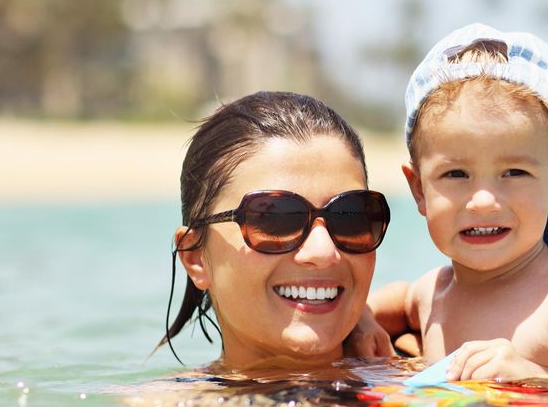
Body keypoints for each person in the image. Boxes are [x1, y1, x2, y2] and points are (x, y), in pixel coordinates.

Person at [351, 23, 548, 381]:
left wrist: (534, 375)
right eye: (456, 174)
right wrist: (362, 322)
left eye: (514, 173)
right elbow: (392, 302)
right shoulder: (432, 293)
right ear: (419, 190)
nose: (482, 201)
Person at [157, 91, 391, 370]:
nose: (323, 251)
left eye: (350, 216)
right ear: (195, 257)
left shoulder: (446, 368)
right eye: (275, 217)